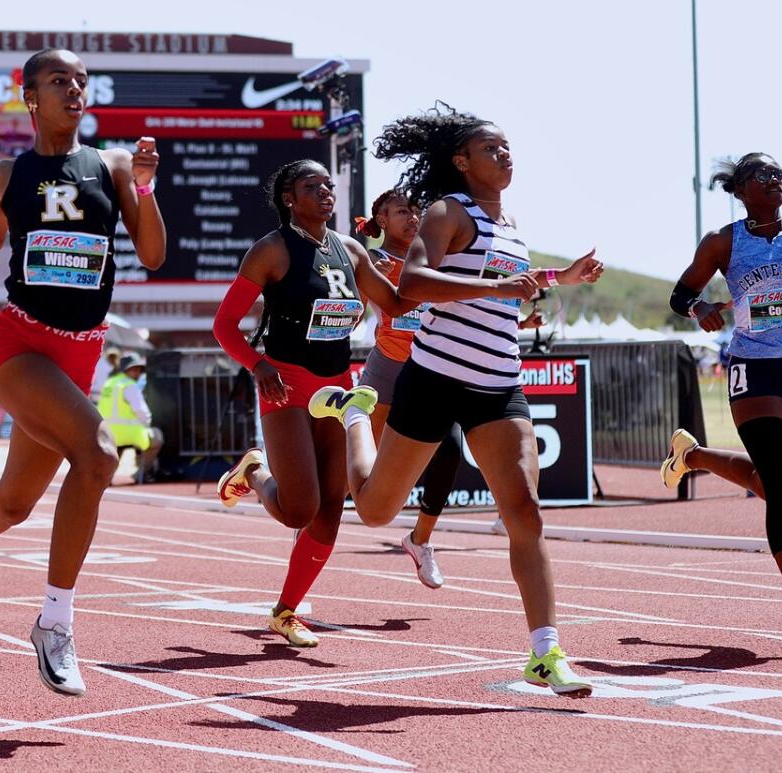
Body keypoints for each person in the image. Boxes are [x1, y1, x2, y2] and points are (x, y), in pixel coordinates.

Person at [307, 107, 604, 696]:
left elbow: (502, 283)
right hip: (435, 376)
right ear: (461, 161)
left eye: (508, 146)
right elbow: (413, 285)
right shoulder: (446, 211)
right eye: (491, 148)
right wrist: (499, 287)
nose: (506, 154)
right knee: (373, 511)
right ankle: (356, 414)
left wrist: (558, 277)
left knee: (526, 513)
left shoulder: (511, 222)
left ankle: (545, 653)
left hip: (498, 382)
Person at [0, 48, 166, 695]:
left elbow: (154, 254)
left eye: (81, 80)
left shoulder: (109, 166)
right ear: (30, 97)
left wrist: (146, 188)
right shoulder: (5, 175)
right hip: (19, 348)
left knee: (13, 506)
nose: (75, 89)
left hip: (78, 356)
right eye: (59, 81)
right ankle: (55, 624)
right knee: (99, 455)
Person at [213, 159, 413, 647]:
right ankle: (254, 473)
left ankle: (285, 611)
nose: (325, 191)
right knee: (299, 509)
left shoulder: (350, 249)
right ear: (289, 198)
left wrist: (447, 276)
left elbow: (397, 303)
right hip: (286, 382)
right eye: (311, 186)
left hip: (336, 384)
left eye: (328, 184)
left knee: (329, 510)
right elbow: (224, 325)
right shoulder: (272, 250)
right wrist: (259, 366)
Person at [661, 153, 782, 647]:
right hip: (753, 366)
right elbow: (681, 296)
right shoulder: (724, 241)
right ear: (740, 189)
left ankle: (693, 455)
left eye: (779, 174)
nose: (774, 181)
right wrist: (700, 307)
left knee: (771, 483)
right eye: (762, 175)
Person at [354, 190, 545, 589]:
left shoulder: (442, 253)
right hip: (389, 369)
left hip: (433, 370)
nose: (412, 217)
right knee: (360, 483)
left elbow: (471, 298)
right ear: (382, 219)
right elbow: (374, 303)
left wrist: (519, 321)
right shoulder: (376, 261)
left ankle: (420, 540)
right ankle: (309, 530)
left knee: (450, 454)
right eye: (401, 211)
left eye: (415, 210)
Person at [98, 353, 163, 483]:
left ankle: (107, 477)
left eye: (138, 369)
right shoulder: (129, 386)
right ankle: (141, 474)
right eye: (134, 369)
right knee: (157, 436)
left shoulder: (109, 383)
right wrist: (146, 425)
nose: (137, 372)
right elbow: (142, 411)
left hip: (107, 433)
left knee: (118, 446)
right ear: (125, 370)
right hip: (127, 434)